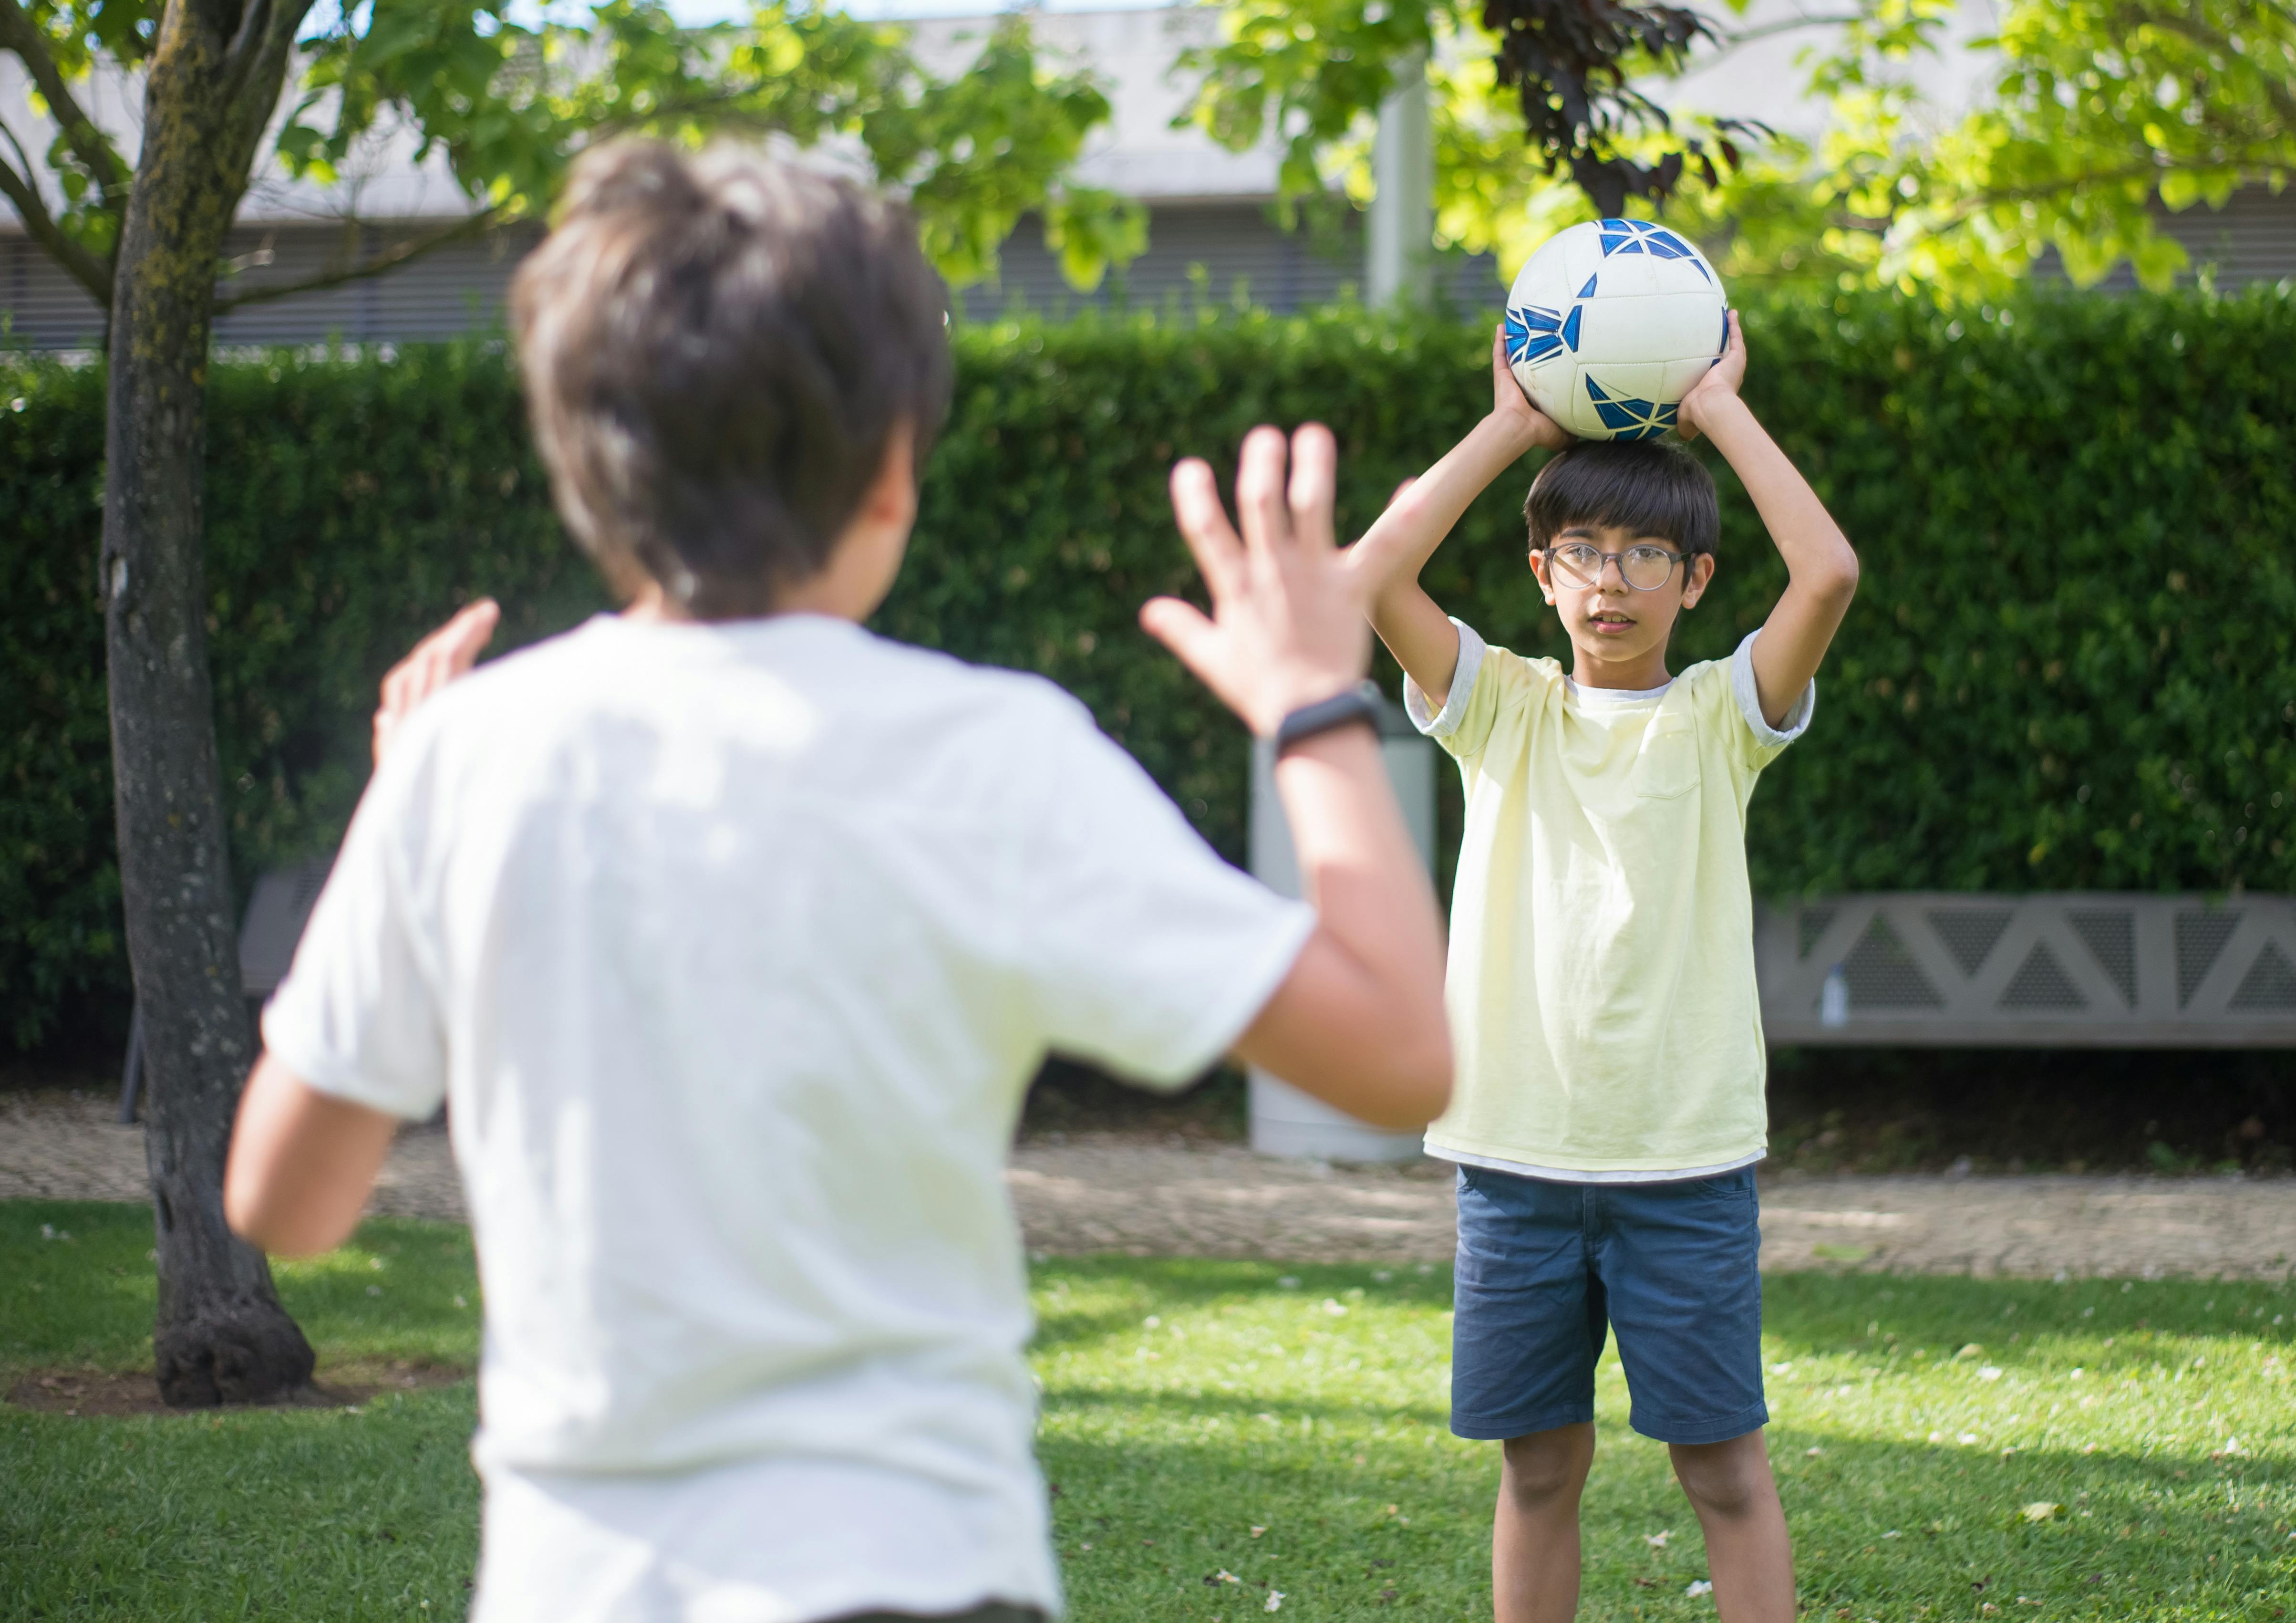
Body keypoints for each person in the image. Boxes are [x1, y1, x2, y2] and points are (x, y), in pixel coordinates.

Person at [221, 141, 1451, 1623]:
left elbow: (285, 1200)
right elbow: (1396, 1061)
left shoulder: (469, 756)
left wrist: (406, 810)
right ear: (890, 472)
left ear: (585, 470)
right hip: (922, 1571)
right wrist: (1314, 705)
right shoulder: (994, 755)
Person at [1348, 313, 1858, 1623]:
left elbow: (1829, 575)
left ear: (1694, 582)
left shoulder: (1718, 720)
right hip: (1515, 1165)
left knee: (1726, 1472)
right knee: (1538, 1471)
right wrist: (1516, 426)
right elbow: (1370, 575)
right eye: (1582, 551)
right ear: (1541, 571)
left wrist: (1721, 408)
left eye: (1644, 554)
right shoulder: (1499, 709)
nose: (1610, 579)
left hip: (1683, 1166)